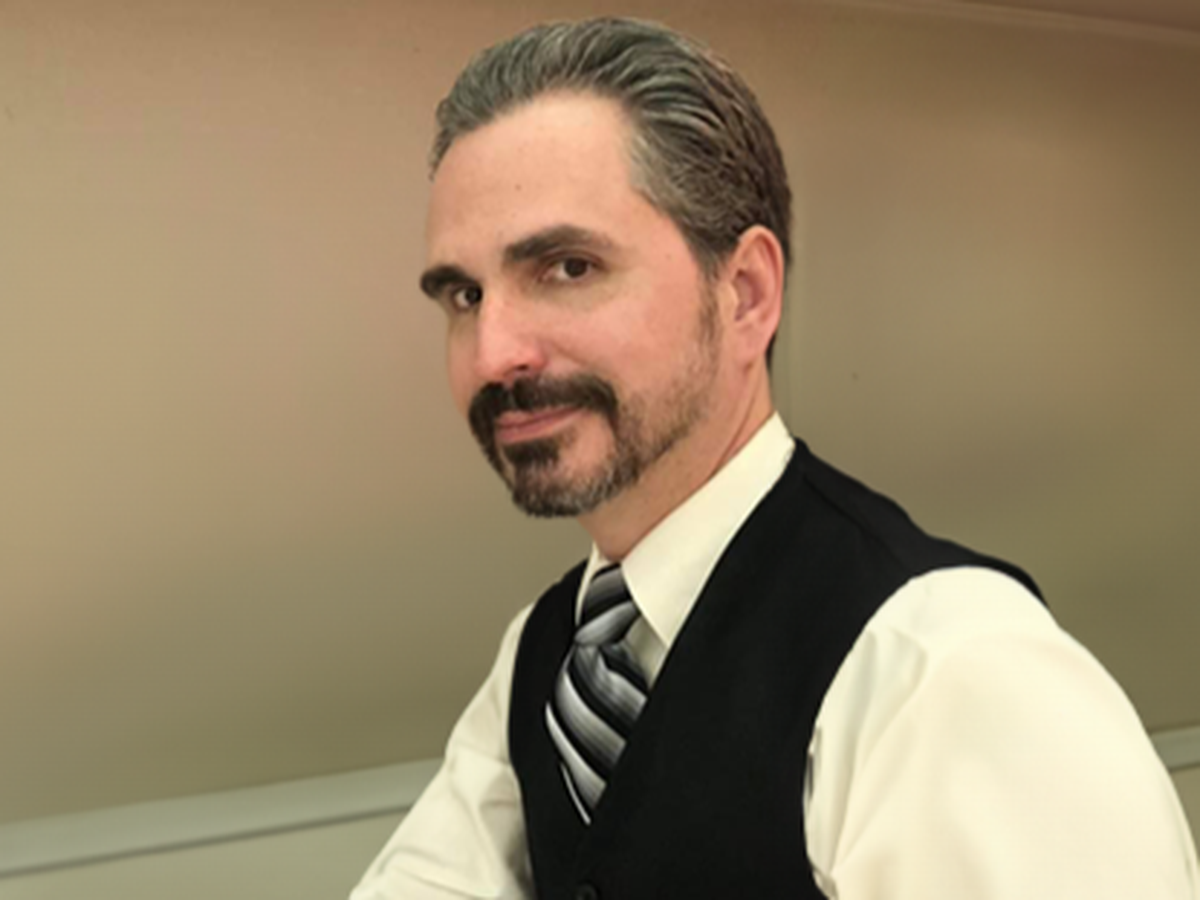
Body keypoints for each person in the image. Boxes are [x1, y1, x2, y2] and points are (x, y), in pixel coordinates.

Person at [351, 17, 1199, 900]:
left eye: (568, 268)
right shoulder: (544, 651)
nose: (494, 355)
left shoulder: (950, 676)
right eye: (464, 294)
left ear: (746, 295)